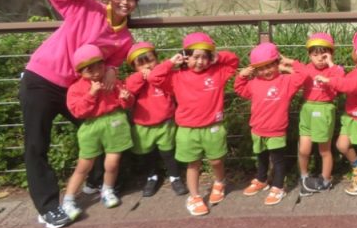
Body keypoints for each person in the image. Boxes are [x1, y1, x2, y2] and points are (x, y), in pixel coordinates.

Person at [19, 0, 142, 228]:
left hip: (76, 90)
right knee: (36, 144)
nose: (124, 2)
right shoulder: (87, 8)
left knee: (97, 127)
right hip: (41, 79)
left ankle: (96, 181)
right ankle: (47, 207)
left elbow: (114, 61)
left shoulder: (125, 38)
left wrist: (112, 69)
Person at [147, 32, 239, 216]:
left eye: (205, 57)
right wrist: (170, 63)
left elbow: (233, 61)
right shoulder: (176, 77)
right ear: (185, 56)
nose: (200, 61)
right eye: (195, 57)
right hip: (187, 130)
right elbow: (153, 78)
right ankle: (194, 196)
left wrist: (218, 56)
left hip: (213, 127)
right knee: (193, 164)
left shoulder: (217, 73)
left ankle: (219, 182)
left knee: (216, 160)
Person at [61, 45, 134, 221]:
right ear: (80, 71)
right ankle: (68, 200)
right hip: (91, 126)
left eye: (99, 66)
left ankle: (107, 190)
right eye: (89, 70)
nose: (96, 72)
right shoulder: (76, 88)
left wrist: (126, 98)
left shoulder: (112, 81)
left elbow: (126, 103)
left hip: (115, 122)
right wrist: (91, 94)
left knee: (113, 162)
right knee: (84, 165)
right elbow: (78, 112)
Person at [234, 42, 309, 206]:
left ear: (277, 63)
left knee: (278, 160)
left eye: (270, 66)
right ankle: (261, 180)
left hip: (276, 130)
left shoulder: (286, 82)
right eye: (261, 68)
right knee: (261, 157)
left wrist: (289, 62)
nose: (266, 71)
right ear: (255, 70)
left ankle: (278, 187)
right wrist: (242, 76)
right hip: (257, 129)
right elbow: (239, 89)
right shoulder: (254, 83)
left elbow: (304, 74)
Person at [315, 32, 357, 196]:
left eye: (353, 48)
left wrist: (329, 80)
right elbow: (347, 80)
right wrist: (331, 65)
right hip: (351, 116)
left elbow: (349, 86)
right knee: (342, 145)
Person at [124, 41, 187, 197]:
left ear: (157, 59)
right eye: (141, 64)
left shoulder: (165, 76)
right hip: (143, 125)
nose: (147, 66)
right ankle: (152, 177)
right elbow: (130, 87)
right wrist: (142, 76)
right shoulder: (135, 79)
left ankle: (175, 177)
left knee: (168, 153)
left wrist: (161, 69)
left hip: (165, 122)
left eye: (151, 61)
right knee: (147, 154)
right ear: (134, 67)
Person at [288, 32, 344, 196]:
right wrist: (285, 64)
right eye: (315, 55)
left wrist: (330, 63)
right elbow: (296, 69)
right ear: (309, 55)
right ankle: (304, 176)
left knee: (324, 150)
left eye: (324, 55)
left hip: (324, 109)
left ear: (331, 54)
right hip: (307, 109)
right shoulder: (307, 68)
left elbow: (340, 80)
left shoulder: (334, 70)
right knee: (303, 149)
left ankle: (325, 179)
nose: (320, 58)